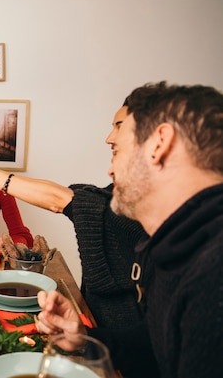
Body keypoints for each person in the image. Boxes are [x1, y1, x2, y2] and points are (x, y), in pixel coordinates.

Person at [35, 82, 223, 378]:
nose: (110, 171)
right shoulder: (174, 246)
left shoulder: (213, 275)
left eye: (117, 151)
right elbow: (155, 347)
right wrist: (83, 338)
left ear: (160, 144)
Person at [0, 105, 145, 329]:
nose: (109, 138)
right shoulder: (115, 199)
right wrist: (81, 334)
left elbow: (63, 201)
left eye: (119, 126)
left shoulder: (136, 219)